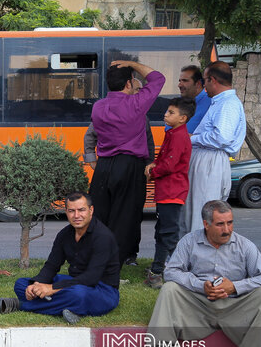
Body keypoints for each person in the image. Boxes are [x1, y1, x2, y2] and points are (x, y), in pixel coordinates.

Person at [147, 200, 261, 347]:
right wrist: (200, 285)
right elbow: (171, 272)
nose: (226, 229)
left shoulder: (245, 245)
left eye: (230, 222)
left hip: (235, 306)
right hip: (199, 305)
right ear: (206, 224)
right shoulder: (189, 241)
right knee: (170, 289)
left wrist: (234, 287)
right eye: (220, 224)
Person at [0, 192, 120, 324]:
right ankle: (69, 308)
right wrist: (37, 284)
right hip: (73, 283)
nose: (76, 215)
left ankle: (20, 305)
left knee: (78, 295)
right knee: (22, 284)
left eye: (81, 210)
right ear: (66, 212)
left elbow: (91, 277)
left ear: (91, 210)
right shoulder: (65, 234)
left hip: (102, 290)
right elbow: (51, 266)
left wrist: (52, 288)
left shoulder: (103, 237)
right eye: (71, 211)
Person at [89, 60, 165, 266]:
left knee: (101, 213)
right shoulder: (136, 103)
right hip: (129, 164)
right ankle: (116, 262)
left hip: (104, 165)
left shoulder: (98, 107)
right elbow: (158, 78)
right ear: (129, 83)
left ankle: (97, 257)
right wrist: (132, 63)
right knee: (125, 217)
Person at [180, 61, 246, 234]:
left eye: (205, 81)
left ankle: (200, 256)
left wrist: (193, 139)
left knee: (200, 213)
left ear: (213, 80)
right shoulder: (221, 102)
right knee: (193, 212)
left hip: (209, 160)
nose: (203, 86)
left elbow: (222, 137)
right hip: (207, 158)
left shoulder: (227, 104)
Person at [83, 116, 155, 267]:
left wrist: (149, 165)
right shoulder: (106, 111)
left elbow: (148, 142)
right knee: (100, 212)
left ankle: (128, 254)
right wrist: (91, 159)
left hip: (133, 168)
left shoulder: (141, 115)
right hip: (106, 165)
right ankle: (98, 253)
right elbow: (90, 135)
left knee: (131, 214)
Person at [143, 97, 194, 289]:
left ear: (183, 118)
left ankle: (167, 271)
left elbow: (169, 164)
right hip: (167, 191)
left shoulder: (179, 136)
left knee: (168, 234)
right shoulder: (173, 133)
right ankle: (160, 269)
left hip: (173, 191)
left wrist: (152, 172)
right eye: (167, 111)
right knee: (163, 232)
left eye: (171, 112)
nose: (166, 114)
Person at [177, 65, 211, 134]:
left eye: (185, 81)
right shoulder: (177, 103)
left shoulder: (211, 103)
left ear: (198, 84)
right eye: (180, 81)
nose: (179, 85)